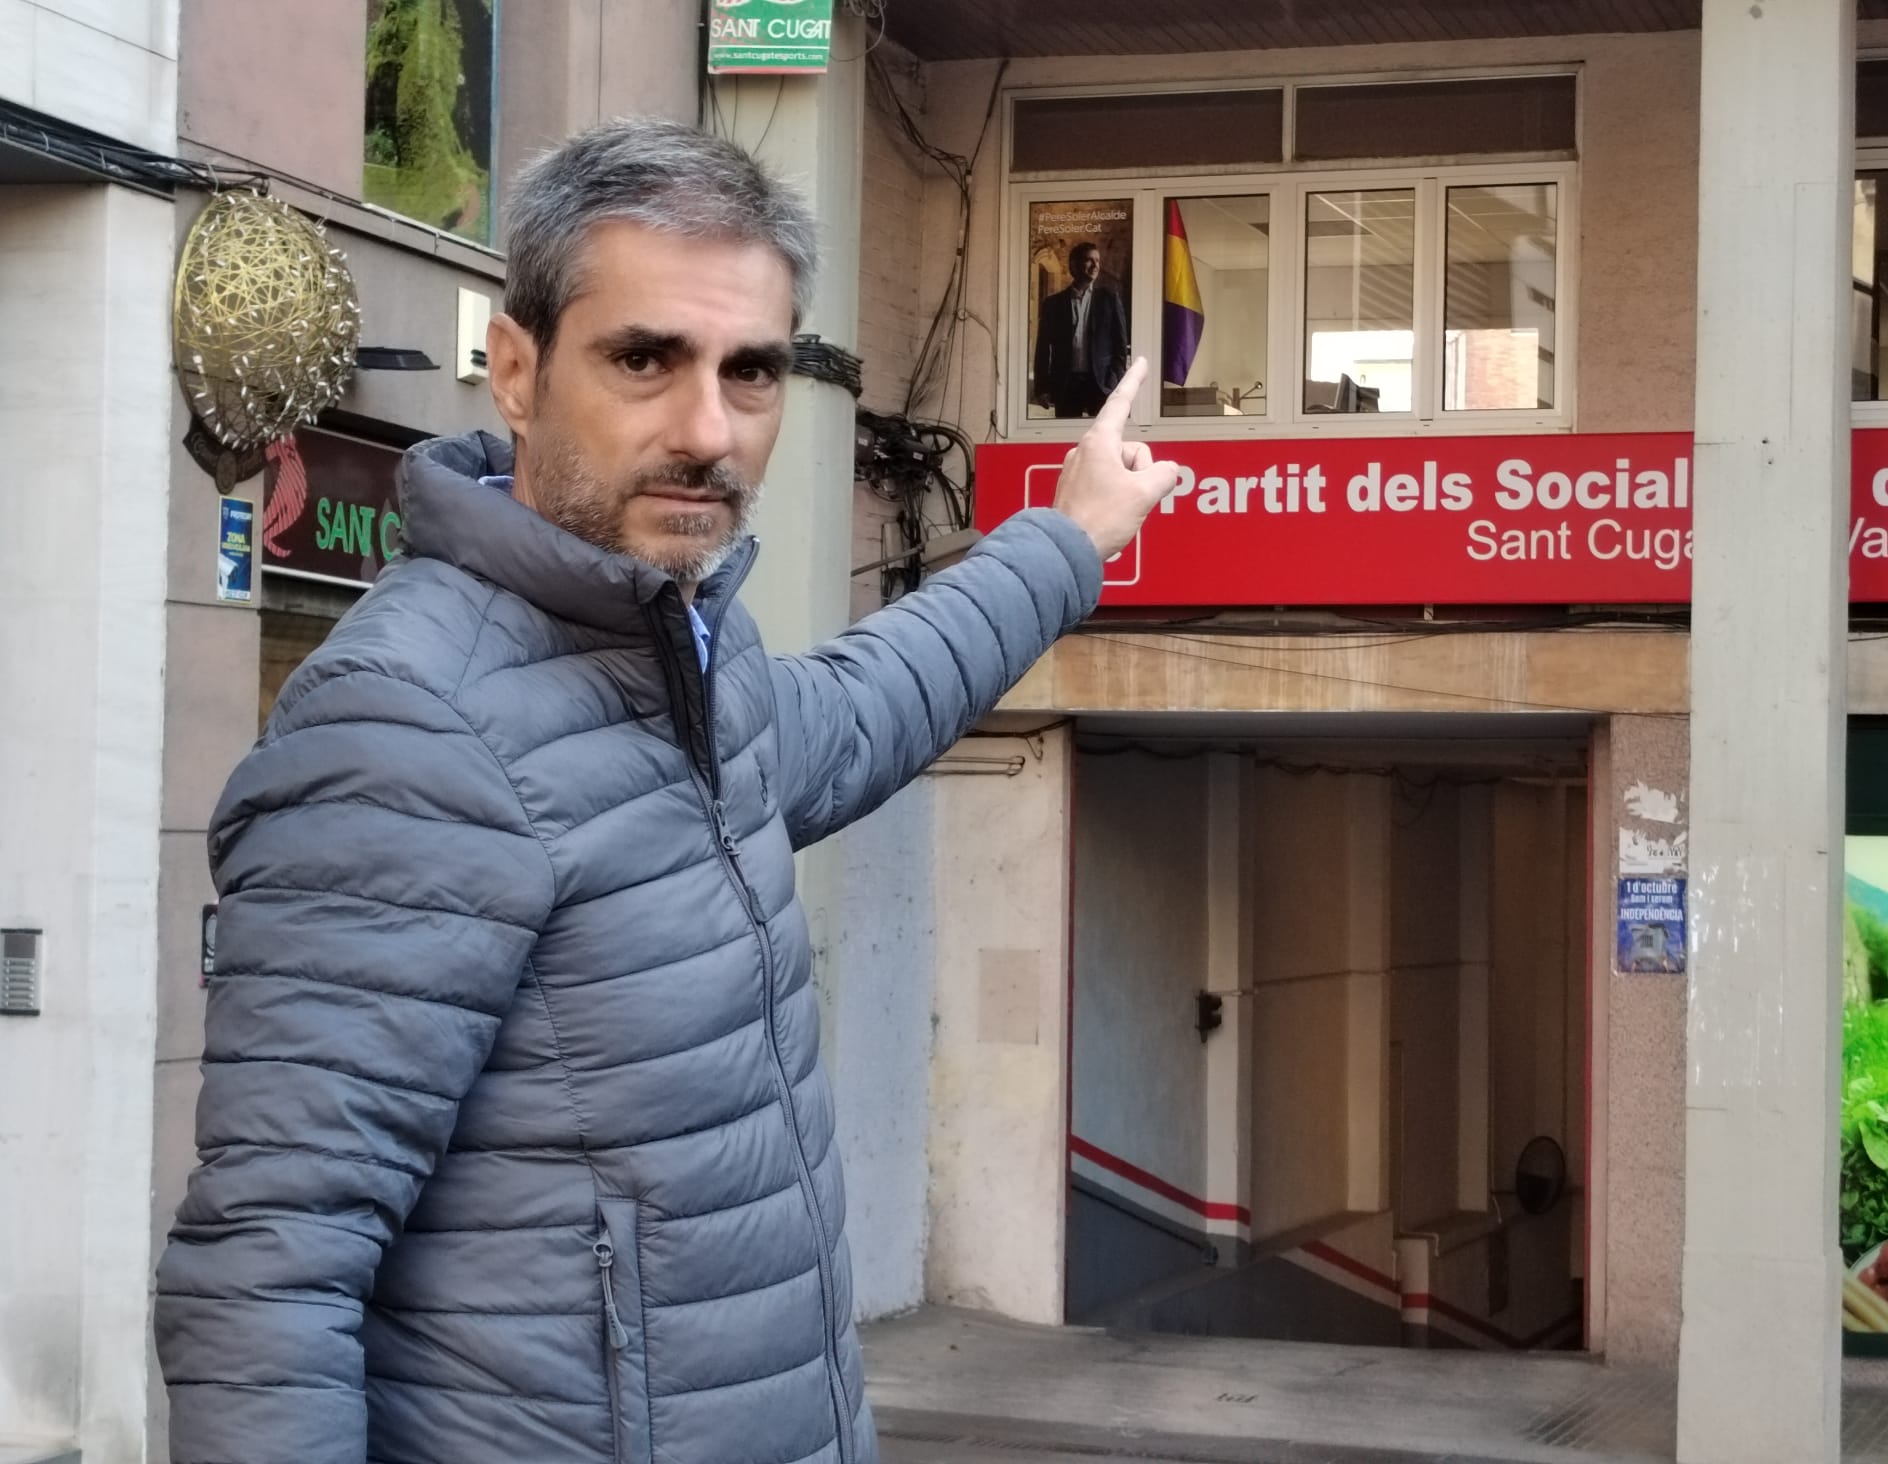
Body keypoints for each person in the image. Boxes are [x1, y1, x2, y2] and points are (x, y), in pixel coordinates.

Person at [153, 117, 1176, 1464]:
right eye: (645, 358)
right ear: (515, 370)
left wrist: (1069, 536)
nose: (708, 430)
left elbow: (869, 701)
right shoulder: (410, 721)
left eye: (751, 372)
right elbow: (269, 1277)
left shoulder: (687, 653)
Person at [1033, 241, 1131, 418]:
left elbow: (1120, 346)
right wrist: (1041, 388)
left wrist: (1114, 380)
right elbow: (1042, 348)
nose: (1095, 266)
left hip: (1100, 384)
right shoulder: (1053, 304)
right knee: (1068, 439)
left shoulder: (1109, 299)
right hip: (1066, 384)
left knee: (1101, 438)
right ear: (1074, 265)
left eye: (1098, 261)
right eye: (1089, 260)